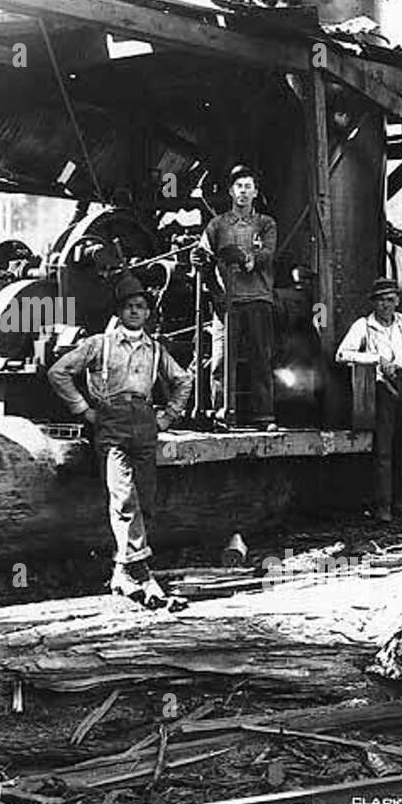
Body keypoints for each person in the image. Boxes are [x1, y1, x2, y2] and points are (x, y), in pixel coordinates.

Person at [47, 273, 193, 608]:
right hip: (111, 423)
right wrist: (84, 409)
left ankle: (122, 572)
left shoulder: (155, 350)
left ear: (147, 313)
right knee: (123, 495)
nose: (135, 312)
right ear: (119, 311)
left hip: (144, 423)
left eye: (141, 307)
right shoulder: (100, 344)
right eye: (129, 306)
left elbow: (182, 380)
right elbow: (59, 372)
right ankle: (140, 573)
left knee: (146, 498)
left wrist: (168, 416)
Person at [336, 277, 402, 523]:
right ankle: (383, 506)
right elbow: (342, 355)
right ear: (374, 303)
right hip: (381, 388)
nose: (386, 305)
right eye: (380, 301)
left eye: (390, 300)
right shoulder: (363, 326)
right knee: (383, 450)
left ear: (397, 301)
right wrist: (376, 358)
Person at [193, 165, 278, 429]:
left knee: (260, 360)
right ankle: (222, 415)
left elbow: (266, 255)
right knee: (220, 361)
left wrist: (246, 259)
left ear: (255, 193)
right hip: (226, 303)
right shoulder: (217, 225)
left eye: (248, 187)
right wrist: (196, 259)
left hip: (257, 300)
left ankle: (264, 417)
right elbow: (202, 255)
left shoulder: (265, 224)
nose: (243, 192)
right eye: (238, 187)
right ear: (231, 192)